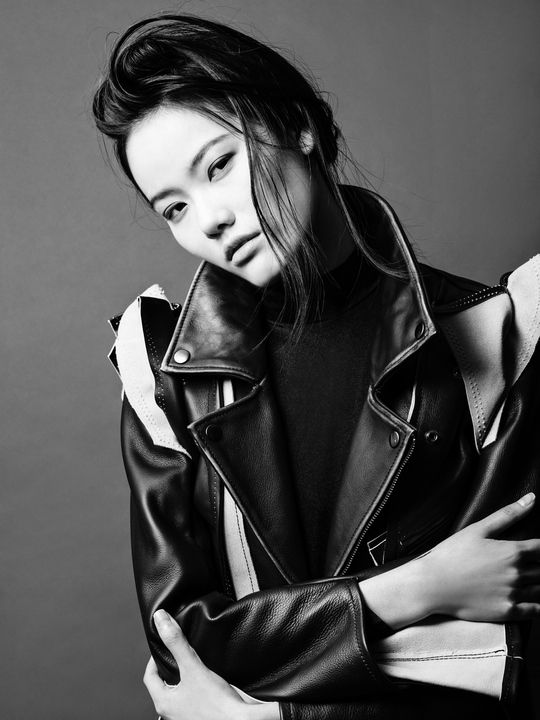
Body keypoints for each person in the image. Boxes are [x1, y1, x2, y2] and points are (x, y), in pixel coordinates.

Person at [93, 13, 540, 720]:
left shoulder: (496, 337)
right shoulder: (165, 381)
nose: (208, 220)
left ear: (298, 125)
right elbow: (185, 650)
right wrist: (412, 590)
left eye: (219, 165)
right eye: (173, 207)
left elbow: (503, 662)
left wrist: (268, 714)